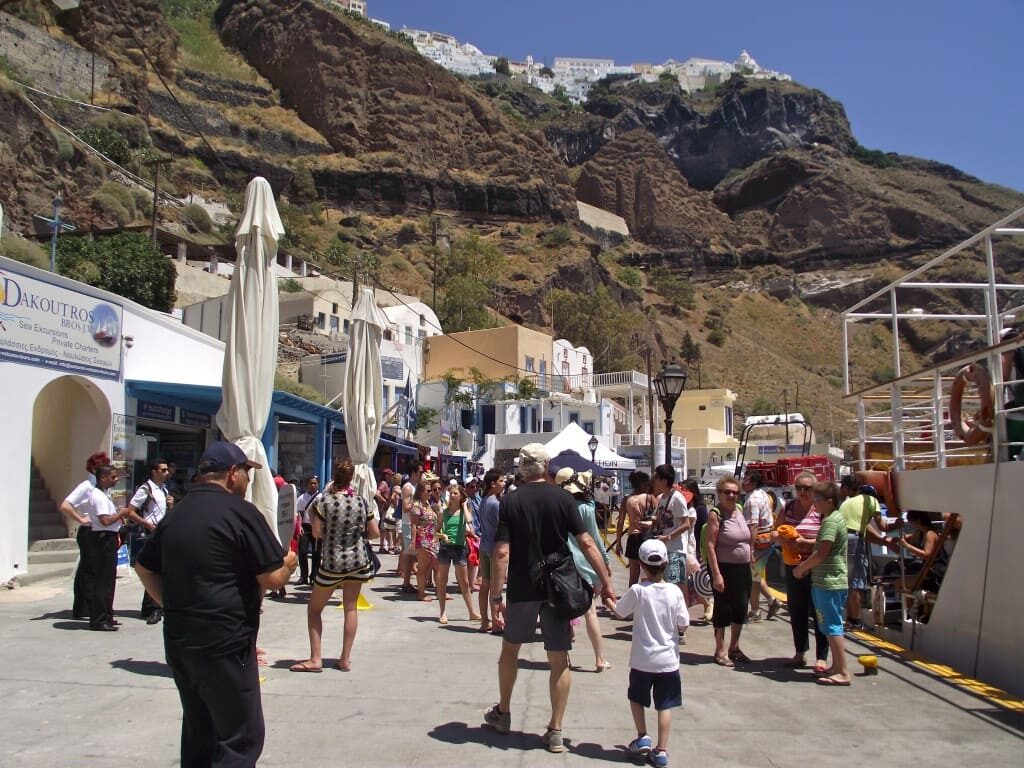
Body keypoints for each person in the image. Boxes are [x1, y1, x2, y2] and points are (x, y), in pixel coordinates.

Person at [135, 441, 297, 766]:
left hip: (180, 640)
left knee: (200, 730)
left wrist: (172, 605)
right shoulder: (241, 512)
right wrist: (290, 562)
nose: (249, 482)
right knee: (241, 737)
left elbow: (143, 566)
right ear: (232, 473)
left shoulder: (177, 511)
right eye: (247, 474)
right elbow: (273, 579)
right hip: (225, 641)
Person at [484, 443, 614, 754]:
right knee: (559, 659)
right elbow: (586, 543)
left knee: (510, 652)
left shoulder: (511, 502)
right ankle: (555, 730)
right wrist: (606, 582)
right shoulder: (564, 498)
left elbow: (502, 552)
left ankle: (503, 713)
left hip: (523, 587)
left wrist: (495, 594)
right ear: (547, 466)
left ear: (522, 468)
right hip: (558, 588)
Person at [603, 539, 689, 768]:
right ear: (666, 563)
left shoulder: (638, 590)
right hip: (668, 661)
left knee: (636, 698)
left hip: (642, 659)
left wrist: (609, 602)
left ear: (641, 565)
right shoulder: (675, 592)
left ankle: (642, 735)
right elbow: (683, 623)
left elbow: (620, 613)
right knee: (665, 705)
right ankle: (661, 750)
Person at [290, 459, 380, 672]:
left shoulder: (325, 502)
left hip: (332, 561)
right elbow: (375, 532)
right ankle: (345, 659)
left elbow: (317, 532)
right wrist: (358, 536)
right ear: (351, 479)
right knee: (351, 608)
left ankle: (315, 659)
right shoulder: (360, 501)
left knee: (314, 609)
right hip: (357, 561)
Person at [793, 481, 851, 686]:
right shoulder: (833, 519)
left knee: (832, 625)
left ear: (829, 501)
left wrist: (802, 568)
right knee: (828, 624)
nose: (814, 503)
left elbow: (822, 551)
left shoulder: (830, 522)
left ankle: (842, 671)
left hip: (829, 581)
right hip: (830, 580)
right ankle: (836, 666)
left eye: (817, 499)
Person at [555, 467, 612, 672]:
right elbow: (594, 540)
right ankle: (599, 658)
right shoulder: (587, 509)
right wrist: (605, 563)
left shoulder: (558, 508)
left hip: (564, 567)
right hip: (587, 566)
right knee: (590, 613)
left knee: (564, 613)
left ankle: (565, 657)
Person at [775, 470, 828, 672]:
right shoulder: (788, 508)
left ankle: (821, 657)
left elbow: (828, 540)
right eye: (799, 488)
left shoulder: (821, 510)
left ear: (815, 489)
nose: (803, 491)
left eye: (808, 488)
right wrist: (783, 540)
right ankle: (800, 652)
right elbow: (776, 530)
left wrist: (805, 543)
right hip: (793, 567)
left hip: (815, 567)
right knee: (797, 611)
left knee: (818, 612)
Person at [705, 475, 752, 666]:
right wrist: (717, 574)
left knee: (741, 607)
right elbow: (710, 545)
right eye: (727, 492)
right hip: (724, 568)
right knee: (722, 608)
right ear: (719, 494)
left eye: (735, 492)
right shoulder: (716, 514)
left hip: (743, 568)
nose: (731, 495)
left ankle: (735, 647)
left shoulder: (739, 510)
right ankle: (720, 650)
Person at [59, 451, 110, 620]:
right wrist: (81, 519)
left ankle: (83, 607)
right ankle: (87, 606)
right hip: (88, 531)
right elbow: (66, 505)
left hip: (96, 530)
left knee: (87, 570)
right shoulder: (87, 486)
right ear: (96, 468)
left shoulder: (99, 487)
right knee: (90, 571)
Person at [124, 459, 172, 625]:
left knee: (161, 570)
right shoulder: (146, 489)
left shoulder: (163, 490)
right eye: (163, 470)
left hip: (160, 533)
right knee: (152, 570)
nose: (167, 473)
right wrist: (146, 523)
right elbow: (130, 511)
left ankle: (155, 605)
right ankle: (152, 608)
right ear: (154, 471)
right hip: (149, 534)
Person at [839, 480, 887, 628]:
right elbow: (882, 526)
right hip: (854, 540)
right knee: (856, 582)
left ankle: (849, 618)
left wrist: (882, 541)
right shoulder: (871, 500)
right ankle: (856, 621)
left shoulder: (849, 502)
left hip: (839, 537)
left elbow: (865, 529)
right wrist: (897, 524)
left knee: (846, 580)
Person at [650, 464, 693, 614]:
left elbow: (686, 523)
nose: (653, 480)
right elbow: (661, 519)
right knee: (668, 585)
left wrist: (667, 537)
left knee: (676, 586)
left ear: (664, 480)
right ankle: (673, 617)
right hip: (664, 548)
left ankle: (681, 619)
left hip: (675, 549)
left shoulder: (677, 498)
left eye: (656, 477)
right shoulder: (662, 498)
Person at [436, 483, 481, 625]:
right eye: (451, 493)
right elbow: (435, 532)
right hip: (445, 548)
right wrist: (442, 536)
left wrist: (465, 505)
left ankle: (472, 612)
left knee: (465, 582)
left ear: (461, 496)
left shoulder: (464, 512)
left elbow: (469, 521)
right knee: (442, 580)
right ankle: (442, 612)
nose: (453, 496)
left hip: (460, 548)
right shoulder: (444, 512)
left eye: (456, 493)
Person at [743, 470, 781, 621]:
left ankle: (755, 611)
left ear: (752, 483)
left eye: (746, 479)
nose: (743, 482)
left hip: (758, 542)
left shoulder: (752, 500)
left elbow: (753, 526)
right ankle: (772, 602)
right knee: (756, 574)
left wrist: (750, 549)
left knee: (754, 579)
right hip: (767, 539)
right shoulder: (764, 494)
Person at [615, 471, 656, 587]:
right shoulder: (650, 498)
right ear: (643, 484)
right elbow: (657, 518)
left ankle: (631, 600)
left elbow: (620, 523)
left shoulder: (626, 499)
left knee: (633, 576)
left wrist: (618, 543)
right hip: (647, 536)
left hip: (633, 537)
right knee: (647, 573)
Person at [476, 469, 504, 633]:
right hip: (494, 547)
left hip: (484, 545)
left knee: (485, 584)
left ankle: (485, 620)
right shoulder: (495, 503)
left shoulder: (484, 501)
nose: (503, 483)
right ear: (493, 484)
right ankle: (495, 620)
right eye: (501, 481)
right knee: (495, 586)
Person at [682, 479, 713, 623]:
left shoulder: (698, 509)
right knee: (688, 582)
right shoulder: (687, 507)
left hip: (693, 548)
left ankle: (706, 604)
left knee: (692, 581)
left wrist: (702, 551)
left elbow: (702, 529)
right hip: (688, 547)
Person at [411, 481, 440, 601]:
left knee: (438, 567)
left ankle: (440, 592)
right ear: (421, 492)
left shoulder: (429, 504)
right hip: (422, 539)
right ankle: (421, 593)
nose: (430, 493)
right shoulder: (417, 506)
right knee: (423, 568)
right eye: (428, 491)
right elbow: (413, 524)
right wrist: (413, 542)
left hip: (432, 539)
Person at [398, 464, 423, 593]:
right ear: (413, 472)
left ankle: (409, 581)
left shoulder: (417, 487)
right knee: (409, 554)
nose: (422, 474)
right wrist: (417, 502)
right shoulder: (408, 488)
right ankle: (406, 582)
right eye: (420, 471)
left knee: (413, 555)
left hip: (415, 523)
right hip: (408, 523)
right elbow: (406, 507)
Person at [296, 476, 321, 586]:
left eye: (315, 483)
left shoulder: (321, 497)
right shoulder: (302, 498)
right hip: (305, 527)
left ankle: (314, 576)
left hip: (317, 527)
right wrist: (299, 526)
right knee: (303, 552)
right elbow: (300, 513)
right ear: (307, 485)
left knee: (316, 553)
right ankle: (303, 576)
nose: (313, 485)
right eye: (311, 483)